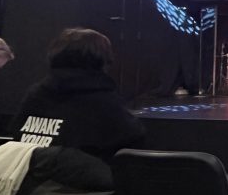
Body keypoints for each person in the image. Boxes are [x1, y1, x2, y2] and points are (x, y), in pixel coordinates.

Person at [10, 28, 144, 161]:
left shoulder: (36, 93)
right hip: (78, 174)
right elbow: (134, 136)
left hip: (28, 172)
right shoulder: (102, 101)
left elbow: (14, 134)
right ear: (102, 60)